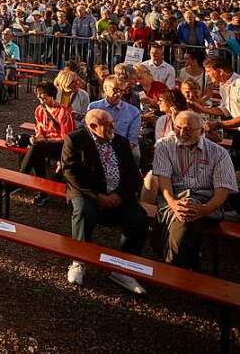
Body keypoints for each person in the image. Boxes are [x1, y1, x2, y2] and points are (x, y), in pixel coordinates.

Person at [62, 108, 149, 294]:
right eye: (108, 125)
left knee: (139, 218)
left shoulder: (121, 142)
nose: (113, 128)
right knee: (84, 211)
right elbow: (70, 172)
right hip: (88, 192)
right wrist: (96, 196)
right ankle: (79, 260)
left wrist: (119, 195)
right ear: (93, 126)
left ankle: (124, 267)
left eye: (113, 124)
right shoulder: (75, 140)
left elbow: (134, 176)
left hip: (117, 193)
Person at [152, 110, 237, 269]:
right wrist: (173, 203)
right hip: (174, 197)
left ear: (202, 130)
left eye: (189, 129)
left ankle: (172, 261)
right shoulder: (164, 145)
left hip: (207, 202)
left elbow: (222, 189)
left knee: (188, 214)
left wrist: (205, 209)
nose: (182, 133)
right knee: (187, 216)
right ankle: (184, 264)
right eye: (178, 128)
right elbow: (163, 180)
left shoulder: (219, 153)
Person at [21, 81, 75, 200]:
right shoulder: (39, 110)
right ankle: (42, 191)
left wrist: (45, 140)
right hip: (46, 145)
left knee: (37, 148)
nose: (41, 98)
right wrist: (37, 137)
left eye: (44, 95)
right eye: (39, 95)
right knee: (36, 150)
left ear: (51, 95)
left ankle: (21, 176)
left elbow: (66, 138)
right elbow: (40, 129)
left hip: (62, 147)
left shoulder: (63, 112)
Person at [88, 77, 142, 161]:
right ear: (105, 88)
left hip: (123, 147)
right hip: (98, 146)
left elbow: (132, 140)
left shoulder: (133, 111)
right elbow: (90, 132)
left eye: (122, 91)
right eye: (115, 90)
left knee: (135, 155)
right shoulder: (94, 107)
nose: (118, 94)